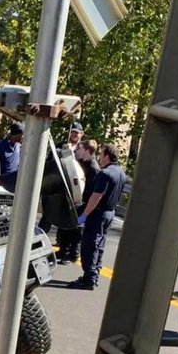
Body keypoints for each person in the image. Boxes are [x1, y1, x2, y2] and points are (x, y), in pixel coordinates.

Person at [69, 143, 126, 290]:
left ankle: (89, 278)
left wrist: (84, 215)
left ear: (107, 155)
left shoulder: (105, 173)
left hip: (98, 213)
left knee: (90, 245)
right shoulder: (120, 172)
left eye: (101, 154)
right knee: (99, 244)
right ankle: (94, 274)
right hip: (109, 213)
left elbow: (96, 197)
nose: (99, 157)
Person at [52, 123, 85, 263]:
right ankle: (62, 249)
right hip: (62, 189)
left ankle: (73, 253)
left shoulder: (82, 150)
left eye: (76, 133)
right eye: (72, 132)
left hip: (77, 191)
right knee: (62, 221)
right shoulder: (62, 146)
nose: (74, 135)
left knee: (75, 225)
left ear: (81, 135)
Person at [0, 123, 23, 192]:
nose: (23, 136)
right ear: (15, 134)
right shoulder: (0, 145)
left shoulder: (19, 146)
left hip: (15, 181)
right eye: (21, 134)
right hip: (3, 182)